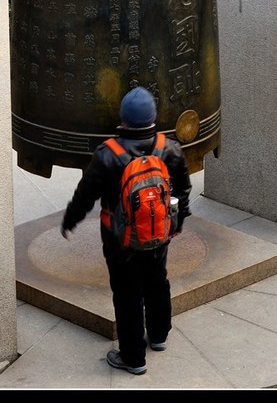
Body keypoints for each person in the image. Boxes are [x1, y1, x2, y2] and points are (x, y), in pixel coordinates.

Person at [59, 86, 192, 375]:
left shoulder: (107, 155)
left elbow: (85, 195)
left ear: (124, 119)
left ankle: (133, 357)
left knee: (127, 292)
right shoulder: (169, 148)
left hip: (120, 240)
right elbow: (182, 189)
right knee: (158, 282)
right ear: (153, 118)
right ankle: (158, 336)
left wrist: (70, 221)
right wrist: (178, 222)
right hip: (159, 234)